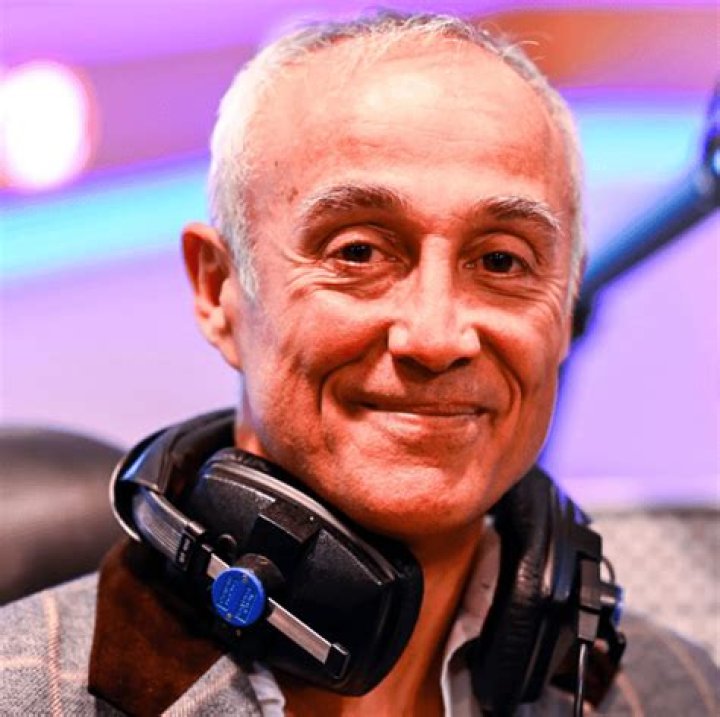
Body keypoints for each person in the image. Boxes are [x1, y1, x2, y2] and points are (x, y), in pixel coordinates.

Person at [1, 10, 717, 716]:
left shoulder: (680, 693)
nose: (435, 336)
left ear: (563, 305)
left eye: (502, 261)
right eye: (359, 252)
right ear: (219, 291)